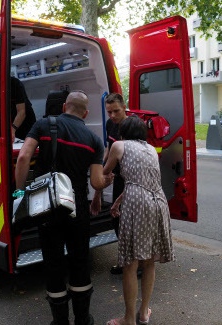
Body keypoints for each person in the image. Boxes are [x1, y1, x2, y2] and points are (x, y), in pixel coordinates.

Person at [15, 90, 113, 325]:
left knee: (53, 261)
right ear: (86, 113)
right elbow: (96, 182)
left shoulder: (43, 125)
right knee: (79, 260)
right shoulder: (94, 140)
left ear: (64, 107)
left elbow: (23, 158)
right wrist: (107, 181)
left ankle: (59, 321)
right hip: (77, 208)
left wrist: (20, 192)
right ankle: (82, 319)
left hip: (47, 207)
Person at [103, 116, 175, 325]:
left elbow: (105, 172)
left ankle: (128, 319)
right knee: (150, 261)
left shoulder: (118, 145)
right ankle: (143, 313)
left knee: (130, 263)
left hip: (137, 204)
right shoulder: (151, 149)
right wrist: (118, 201)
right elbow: (143, 182)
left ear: (122, 132)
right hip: (158, 202)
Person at [90, 93, 128, 275]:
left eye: (116, 111)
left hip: (131, 179)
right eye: (109, 112)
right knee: (117, 220)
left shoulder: (132, 126)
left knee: (129, 222)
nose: (112, 116)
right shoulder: (110, 124)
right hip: (118, 177)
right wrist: (102, 168)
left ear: (124, 107)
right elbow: (108, 150)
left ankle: (136, 264)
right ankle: (125, 260)